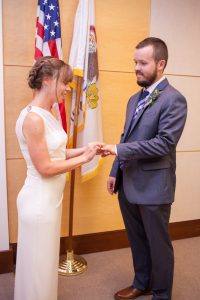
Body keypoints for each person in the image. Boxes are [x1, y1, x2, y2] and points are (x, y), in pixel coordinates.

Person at [102, 37, 187, 300]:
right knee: (137, 239)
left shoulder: (175, 100)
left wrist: (118, 150)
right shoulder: (133, 99)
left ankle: (162, 294)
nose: (136, 68)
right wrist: (116, 170)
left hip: (154, 187)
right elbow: (126, 136)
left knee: (158, 245)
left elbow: (164, 143)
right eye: (134, 62)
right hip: (128, 183)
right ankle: (142, 282)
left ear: (160, 64)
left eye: (143, 63)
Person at [14, 56, 102, 300]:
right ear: (46, 81)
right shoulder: (32, 118)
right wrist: (84, 160)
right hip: (38, 203)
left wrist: (86, 149)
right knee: (38, 267)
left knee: (44, 264)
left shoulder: (48, 113)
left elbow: (57, 152)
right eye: (64, 83)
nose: (67, 88)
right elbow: (45, 167)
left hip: (50, 201)